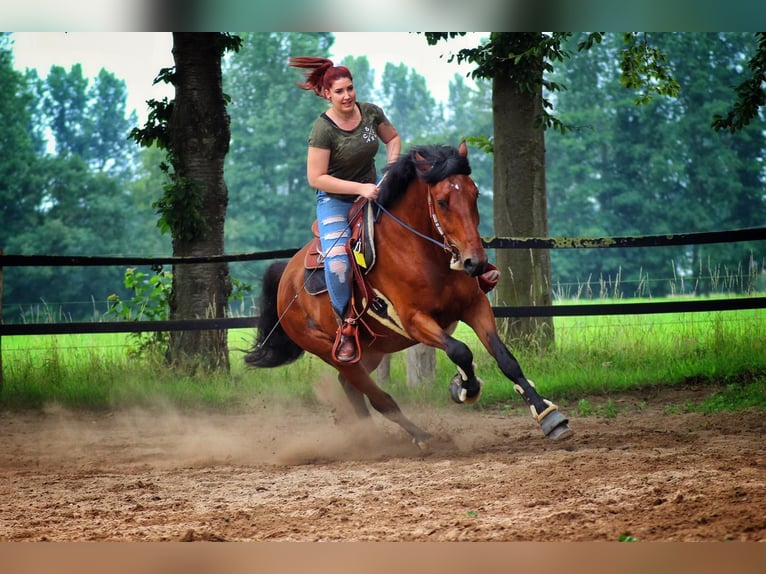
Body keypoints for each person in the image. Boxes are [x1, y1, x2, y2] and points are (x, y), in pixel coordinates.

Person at [289, 56, 401, 363]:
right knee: (338, 263)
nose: (347, 95)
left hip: (375, 191)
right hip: (335, 201)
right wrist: (359, 189)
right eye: (339, 91)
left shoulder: (370, 112)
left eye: (350, 88)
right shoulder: (322, 130)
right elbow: (317, 178)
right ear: (327, 94)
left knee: (415, 224)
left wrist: (391, 166)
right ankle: (347, 326)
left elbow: (392, 138)